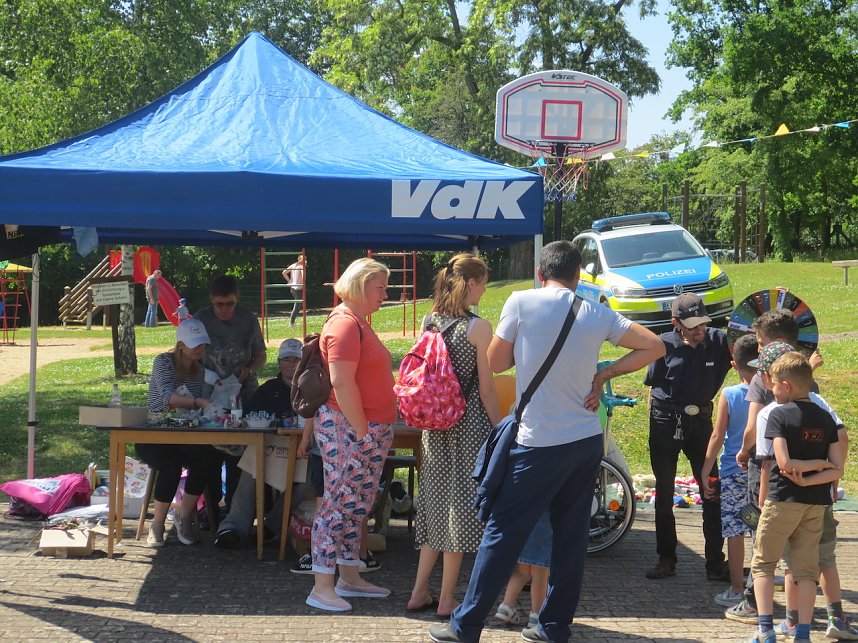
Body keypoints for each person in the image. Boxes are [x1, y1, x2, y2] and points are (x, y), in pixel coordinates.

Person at [429, 240, 664, 643]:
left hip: (537, 442)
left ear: (540, 274)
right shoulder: (596, 312)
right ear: (578, 276)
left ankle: (465, 626)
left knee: (502, 533)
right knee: (570, 540)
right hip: (584, 441)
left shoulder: (521, 302)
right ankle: (553, 627)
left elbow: (497, 362)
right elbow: (654, 345)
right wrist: (604, 374)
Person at [407, 254, 502, 618]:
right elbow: (487, 390)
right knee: (458, 513)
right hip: (468, 426)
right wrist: (500, 429)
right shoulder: (479, 328)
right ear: (471, 284)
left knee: (434, 506)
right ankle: (446, 599)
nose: (485, 290)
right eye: (483, 283)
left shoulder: (429, 320)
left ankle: (419, 591)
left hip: (434, 425)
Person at [748, 342, 857, 641]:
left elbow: (782, 463)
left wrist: (799, 472)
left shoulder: (777, 415)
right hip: (816, 503)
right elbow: (837, 468)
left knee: (764, 565)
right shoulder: (826, 417)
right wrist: (815, 472)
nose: (772, 391)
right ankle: (803, 634)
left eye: (774, 385)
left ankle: (766, 630)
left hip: (782, 499)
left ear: (786, 385)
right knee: (807, 571)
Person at [306, 258, 397, 612]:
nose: (385, 295)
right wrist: (361, 430)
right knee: (337, 503)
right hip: (350, 428)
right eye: (380, 288)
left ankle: (348, 576)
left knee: (355, 504)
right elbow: (341, 382)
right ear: (360, 285)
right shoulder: (345, 323)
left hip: (365, 429)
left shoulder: (356, 322)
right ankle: (322, 586)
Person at [728, 308, 823, 623]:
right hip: (806, 477)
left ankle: (754, 605)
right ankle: (797, 615)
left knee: (762, 536)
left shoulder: (762, 375)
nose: (757, 349)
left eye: (759, 342)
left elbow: (752, 427)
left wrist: (744, 451)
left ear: (775, 342)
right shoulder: (806, 378)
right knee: (801, 549)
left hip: (767, 468)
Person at [643, 292, 733, 582]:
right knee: (664, 492)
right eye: (692, 325)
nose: (699, 330)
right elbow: (652, 386)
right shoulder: (663, 344)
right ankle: (666, 559)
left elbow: (753, 341)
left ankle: (715, 563)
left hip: (701, 421)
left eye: (703, 323)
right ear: (676, 324)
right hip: (665, 420)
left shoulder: (720, 341)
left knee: (711, 488)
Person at [214, 338, 308, 548]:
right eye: (286, 360)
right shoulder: (268, 390)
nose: (291, 365)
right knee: (251, 468)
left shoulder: (310, 390)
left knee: (307, 479)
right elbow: (249, 417)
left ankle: (272, 527)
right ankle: (233, 527)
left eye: (296, 360)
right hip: (269, 449)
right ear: (279, 363)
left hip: (301, 451)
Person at [136, 318, 221, 547]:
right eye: (194, 344)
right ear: (181, 344)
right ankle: (157, 524)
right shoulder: (163, 361)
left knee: (208, 458)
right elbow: (168, 397)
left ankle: (184, 516)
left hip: (183, 434)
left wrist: (205, 410)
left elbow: (189, 412)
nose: (199, 348)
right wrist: (199, 402)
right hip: (154, 434)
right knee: (170, 465)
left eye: (202, 344)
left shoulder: (199, 371)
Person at [195, 275, 267, 509]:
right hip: (210, 391)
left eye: (230, 304)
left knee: (240, 449)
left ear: (237, 299)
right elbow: (188, 355)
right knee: (209, 449)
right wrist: (208, 376)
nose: (225, 309)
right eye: (219, 304)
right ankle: (210, 508)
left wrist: (249, 370)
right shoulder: (201, 319)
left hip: (242, 391)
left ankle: (236, 507)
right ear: (211, 300)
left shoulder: (248, 319)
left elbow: (261, 355)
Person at [700, 334, 758, 607]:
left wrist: (706, 469)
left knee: (735, 531)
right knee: (759, 529)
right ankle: (759, 588)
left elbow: (717, 435)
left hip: (733, 471)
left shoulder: (730, 394)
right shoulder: (773, 393)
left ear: (734, 364)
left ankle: (736, 589)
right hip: (762, 470)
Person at [282, 253, 306, 327]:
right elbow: (303, 277)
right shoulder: (301, 267)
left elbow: (284, 273)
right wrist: (303, 284)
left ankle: (292, 322)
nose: (305, 260)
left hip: (293, 287)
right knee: (297, 305)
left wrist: (290, 281)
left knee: (298, 305)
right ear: (299, 259)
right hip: (298, 288)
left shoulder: (293, 265)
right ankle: (291, 323)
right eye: (303, 259)